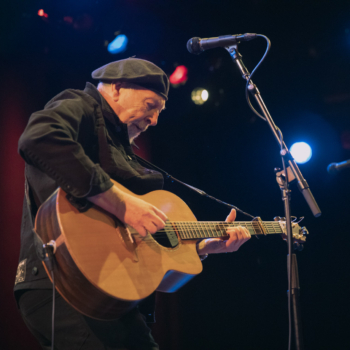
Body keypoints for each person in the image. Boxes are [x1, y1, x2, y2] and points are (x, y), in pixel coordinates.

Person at [15, 58, 251, 350]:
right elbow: (39, 138)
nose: (154, 120)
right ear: (117, 87)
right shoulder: (80, 105)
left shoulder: (121, 145)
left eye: (159, 112)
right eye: (150, 105)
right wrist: (122, 203)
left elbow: (140, 244)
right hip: (62, 283)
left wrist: (202, 248)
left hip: (109, 294)